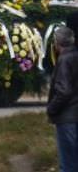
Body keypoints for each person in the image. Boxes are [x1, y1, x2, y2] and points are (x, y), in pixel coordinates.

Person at [47, 26, 78, 171]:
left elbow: (64, 91)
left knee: (68, 163)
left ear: (57, 42)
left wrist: (51, 109)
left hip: (67, 117)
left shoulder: (64, 59)